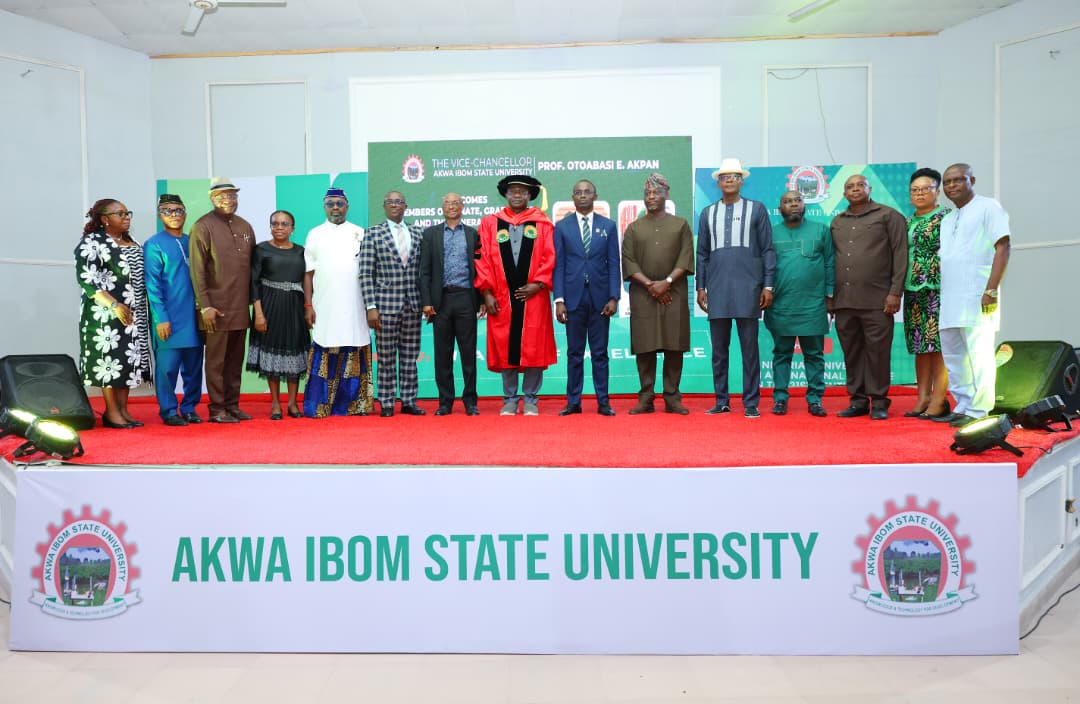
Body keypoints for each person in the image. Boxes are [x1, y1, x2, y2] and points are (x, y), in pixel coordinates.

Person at [695, 158, 776, 418]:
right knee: (719, 352)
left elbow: (767, 249)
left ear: (742, 181)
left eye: (734, 176)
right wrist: (700, 287)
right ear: (718, 183)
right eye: (725, 177)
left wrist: (768, 285)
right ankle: (722, 401)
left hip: (749, 289)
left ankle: (751, 403)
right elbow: (702, 254)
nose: (729, 180)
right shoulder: (707, 213)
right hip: (717, 289)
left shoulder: (757, 209)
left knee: (749, 350)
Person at [474, 175, 557, 416]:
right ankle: (510, 399)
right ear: (506, 195)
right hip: (501, 296)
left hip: (534, 297)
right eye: (513, 191)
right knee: (505, 345)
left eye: (522, 191)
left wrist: (539, 284)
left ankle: (530, 399)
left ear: (530, 195)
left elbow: (551, 256)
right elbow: (481, 259)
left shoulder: (543, 224)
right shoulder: (490, 223)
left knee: (534, 346)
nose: (517, 195)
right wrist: (486, 292)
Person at [937, 163, 1010, 427]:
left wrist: (991, 290)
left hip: (978, 295)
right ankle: (963, 405)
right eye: (947, 182)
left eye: (958, 180)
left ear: (972, 180)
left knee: (979, 356)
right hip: (950, 297)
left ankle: (980, 410)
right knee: (954, 356)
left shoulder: (988, 207)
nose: (951, 186)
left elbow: (1003, 247)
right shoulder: (948, 219)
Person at [830, 174, 908, 420]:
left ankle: (880, 402)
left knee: (878, 353)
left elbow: (900, 255)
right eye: (850, 186)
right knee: (852, 353)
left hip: (878, 301)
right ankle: (858, 401)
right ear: (844, 193)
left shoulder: (889, 216)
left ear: (870, 188)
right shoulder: (837, 222)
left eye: (860, 185)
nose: (855, 189)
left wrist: (895, 292)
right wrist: (830, 297)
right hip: (844, 301)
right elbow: (831, 260)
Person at [622, 173, 695, 415]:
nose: (651, 197)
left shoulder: (681, 225)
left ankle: (672, 398)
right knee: (645, 347)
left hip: (674, 293)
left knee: (674, 346)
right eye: (648, 193)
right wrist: (651, 286)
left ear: (666, 195)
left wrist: (667, 282)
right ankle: (646, 398)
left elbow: (686, 257)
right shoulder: (633, 228)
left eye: (656, 193)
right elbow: (629, 261)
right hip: (643, 295)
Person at [75, 199, 151, 429]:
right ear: (105, 219)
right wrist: (115, 305)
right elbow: (87, 280)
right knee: (110, 361)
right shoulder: (92, 242)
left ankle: (123, 410)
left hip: (134, 313)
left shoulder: (132, 241)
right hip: (106, 315)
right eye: (120, 213)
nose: (126, 217)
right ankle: (111, 412)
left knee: (127, 360)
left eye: (128, 213)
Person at [302, 187, 374, 417]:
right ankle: (320, 406)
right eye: (330, 204)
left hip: (355, 306)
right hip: (325, 305)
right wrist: (308, 305)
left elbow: (370, 271)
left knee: (354, 344)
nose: (335, 208)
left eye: (339, 203)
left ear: (347, 206)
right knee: (326, 344)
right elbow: (308, 273)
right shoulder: (315, 234)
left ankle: (354, 406)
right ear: (324, 207)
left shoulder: (360, 233)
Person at [189, 177, 255, 424]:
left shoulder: (245, 226)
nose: (228, 200)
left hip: (240, 307)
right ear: (212, 199)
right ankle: (217, 409)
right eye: (222, 196)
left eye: (232, 195)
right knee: (216, 362)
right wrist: (205, 305)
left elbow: (252, 269)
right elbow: (197, 271)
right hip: (214, 309)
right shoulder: (202, 226)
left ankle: (232, 405)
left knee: (235, 361)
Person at [763, 190, 834, 417]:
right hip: (780, 305)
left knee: (814, 355)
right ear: (780, 208)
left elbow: (830, 264)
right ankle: (780, 399)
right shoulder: (770, 233)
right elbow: (762, 267)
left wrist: (830, 296)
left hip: (813, 305)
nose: (793, 204)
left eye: (797, 200)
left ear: (804, 205)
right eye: (788, 201)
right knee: (781, 354)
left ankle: (815, 400)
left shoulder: (821, 230)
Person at [553, 180, 620, 417]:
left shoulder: (608, 226)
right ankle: (573, 402)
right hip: (573, 300)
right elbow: (559, 265)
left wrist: (614, 297)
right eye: (578, 193)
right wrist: (559, 299)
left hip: (601, 300)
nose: (582, 196)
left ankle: (603, 402)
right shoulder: (562, 227)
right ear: (573, 197)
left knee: (600, 353)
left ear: (595, 196)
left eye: (587, 192)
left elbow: (614, 264)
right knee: (574, 353)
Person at [359, 191, 426, 417]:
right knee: (386, 358)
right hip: (384, 307)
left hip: (413, 304)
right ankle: (387, 402)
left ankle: (408, 401)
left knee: (410, 357)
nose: (395, 205)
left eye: (399, 202)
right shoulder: (372, 233)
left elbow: (424, 271)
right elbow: (366, 273)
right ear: (384, 206)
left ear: (406, 206)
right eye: (390, 202)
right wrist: (371, 307)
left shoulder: (418, 233)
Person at [418, 192, 484, 416]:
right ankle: (445, 402)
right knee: (442, 355)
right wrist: (427, 301)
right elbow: (425, 271)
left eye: (455, 203)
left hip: (466, 298)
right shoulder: (431, 234)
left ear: (462, 206)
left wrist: (482, 299)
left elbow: (480, 269)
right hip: (441, 301)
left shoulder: (472, 234)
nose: (451, 206)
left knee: (468, 354)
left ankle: (470, 401)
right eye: (447, 203)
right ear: (442, 208)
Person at [143, 194, 203, 426]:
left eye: (178, 210)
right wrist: (161, 318)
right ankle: (169, 411)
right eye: (167, 211)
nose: (174, 215)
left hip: (194, 318)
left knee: (194, 368)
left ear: (185, 214)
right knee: (167, 369)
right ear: (160, 216)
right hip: (168, 319)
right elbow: (152, 284)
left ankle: (189, 408)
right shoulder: (154, 244)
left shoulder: (193, 241)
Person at [247, 210, 309, 420]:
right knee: (271, 357)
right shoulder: (261, 250)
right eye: (275, 224)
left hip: (295, 307)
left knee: (294, 353)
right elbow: (254, 282)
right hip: (269, 306)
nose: (279, 227)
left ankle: (292, 403)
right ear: (270, 226)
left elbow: (307, 281)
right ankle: (275, 403)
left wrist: (308, 308)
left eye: (284, 224)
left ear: (293, 228)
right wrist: (258, 314)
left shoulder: (301, 251)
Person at [902, 168, 951, 420]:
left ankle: (939, 399)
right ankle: (922, 397)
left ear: (937, 192)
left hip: (937, 287)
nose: (920, 193)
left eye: (926, 189)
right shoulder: (907, 221)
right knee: (920, 345)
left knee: (937, 344)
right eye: (915, 190)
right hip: (911, 288)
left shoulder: (947, 217)